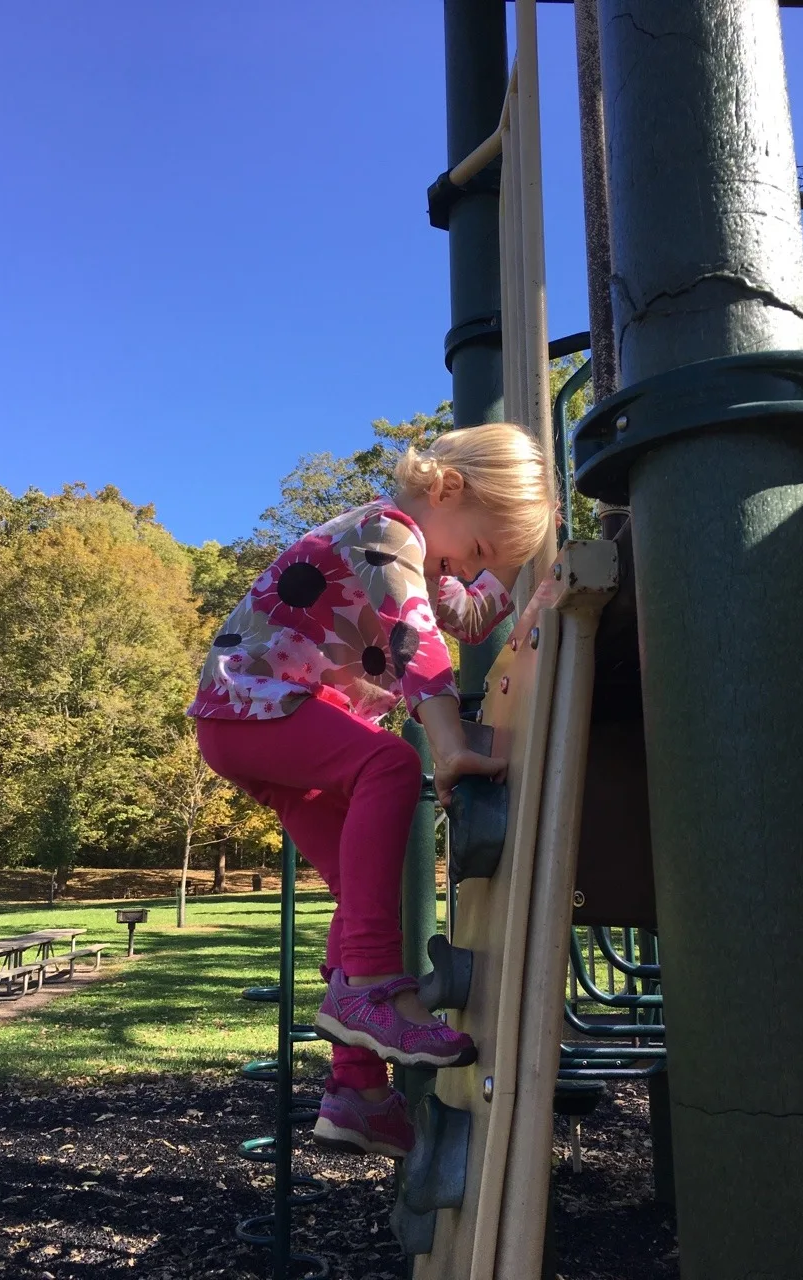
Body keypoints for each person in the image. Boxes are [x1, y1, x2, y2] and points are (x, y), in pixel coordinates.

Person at [188, 422, 553, 1159]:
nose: (466, 565)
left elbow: (471, 614)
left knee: (360, 891)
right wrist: (448, 744)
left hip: (273, 723)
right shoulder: (387, 533)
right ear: (447, 489)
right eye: (478, 546)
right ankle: (377, 983)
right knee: (389, 765)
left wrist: (526, 588)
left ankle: (356, 1093)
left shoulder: (429, 558)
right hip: (253, 706)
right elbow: (416, 642)